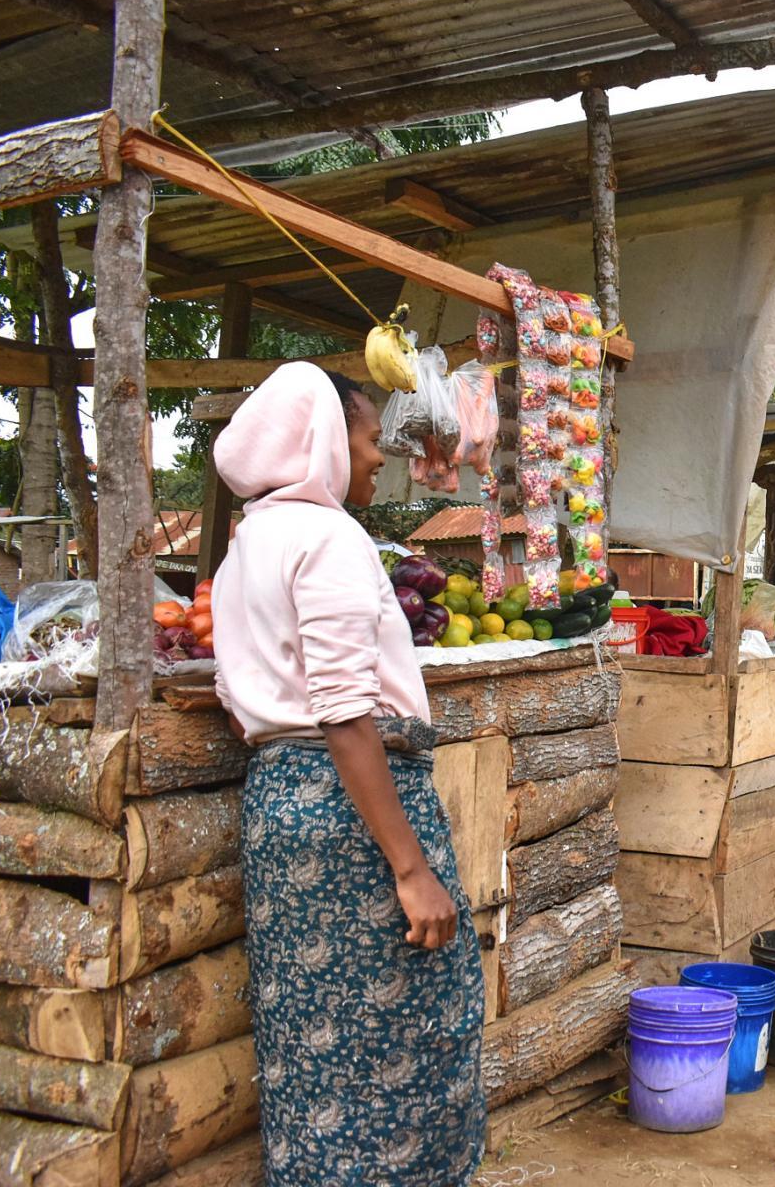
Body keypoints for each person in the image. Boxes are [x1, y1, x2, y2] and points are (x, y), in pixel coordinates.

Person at [211, 366, 485, 1184]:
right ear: (323, 440)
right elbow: (342, 712)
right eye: (366, 439)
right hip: (353, 817)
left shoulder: (246, 545)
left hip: (281, 809)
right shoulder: (326, 538)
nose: (375, 457)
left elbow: (235, 693)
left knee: (311, 1051)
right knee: (414, 1035)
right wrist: (411, 869)